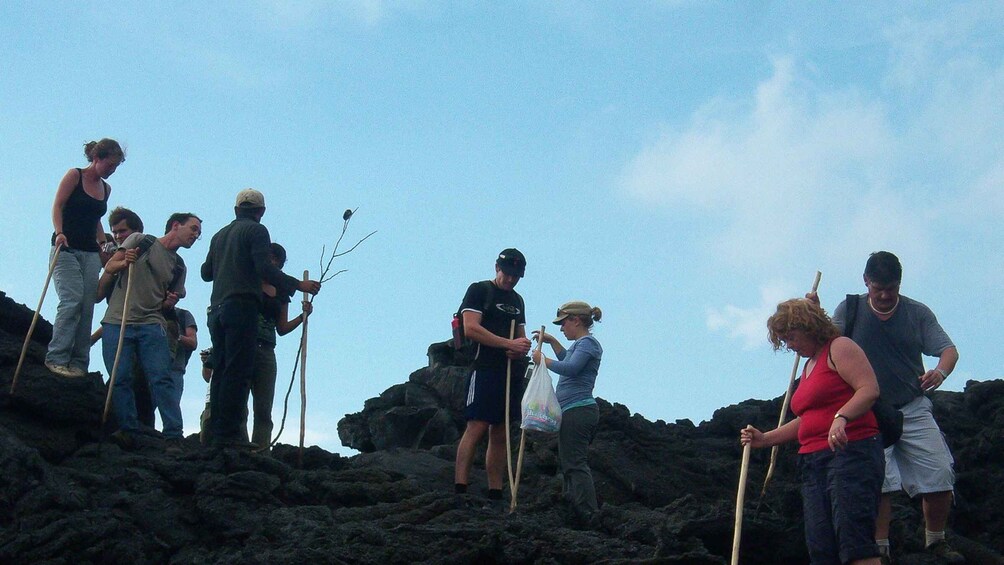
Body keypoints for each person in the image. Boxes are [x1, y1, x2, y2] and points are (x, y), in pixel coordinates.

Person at [815, 252, 962, 564]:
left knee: (939, 473)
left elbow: (948, 350)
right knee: (879, 481)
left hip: (911, 406)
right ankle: (880, 548)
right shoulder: (850, 309)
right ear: (866, 281)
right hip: (865, 408)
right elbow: (828, 345)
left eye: (891, 289)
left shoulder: (916, 313)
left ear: (899, 284)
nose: (884, 295)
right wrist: (815, 318)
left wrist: (940, 372)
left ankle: (935, 541)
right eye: (878, 288)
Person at [741, 299, 884, 565]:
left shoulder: (839, 348)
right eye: (784, 341)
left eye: (791, 337)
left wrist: (841, 417)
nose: (790, 346)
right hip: (812, 462)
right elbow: (807, 420)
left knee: (854, 542)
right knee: (821, 548)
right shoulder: (808, 367)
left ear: (809, 327)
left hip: (850, 452)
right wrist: (766, 439)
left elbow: (869, 389)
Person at [200, 189, 320, 449]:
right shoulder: (257, 232)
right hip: (241, 306)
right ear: (261, 212)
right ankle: (230, 435)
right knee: (237, 371)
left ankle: (216, 435)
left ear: (235, 210)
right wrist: (299, 284)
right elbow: (263, 268)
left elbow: (206, 273)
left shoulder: (219, 235)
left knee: (221, 368)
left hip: (216, 308)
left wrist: (230, 265)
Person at [101, 213, 202, 452]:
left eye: (198, 233)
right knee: (120, 376)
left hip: (151, 322)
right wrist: (125, 261)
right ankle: (128, 429)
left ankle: (173, 435)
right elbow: (110, 265)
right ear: (176, 225)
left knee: (162, 378)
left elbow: (168, 300)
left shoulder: (178, 266)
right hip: (119, 319)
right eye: (193, 229)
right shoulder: (140, 240)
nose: (196, 236)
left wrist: (169, 302)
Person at [453, 248, 532, 502]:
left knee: (500, 430)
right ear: (497, 268)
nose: (510, 280)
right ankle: (460, 486)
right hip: (484, 366)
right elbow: (471, 328)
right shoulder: (479, 290)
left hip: (508, 371)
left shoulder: (517, 300)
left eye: (516, 276)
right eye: (507, 273)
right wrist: (506, 344)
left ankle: (495, 490)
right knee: (477, 425)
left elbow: (520, 333)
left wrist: (520, 347)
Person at [46, 138, 124, 377]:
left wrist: (103, 242)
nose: (112, 171)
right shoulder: (75, 176)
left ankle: (79, 363)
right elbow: (58, 206)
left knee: (87, 305)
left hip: (90, 252)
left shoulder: (105, 189)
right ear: (97, 158)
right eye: (110, 165)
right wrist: (60, 233)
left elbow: (96, 219)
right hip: (66, 247)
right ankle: (57, 357)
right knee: (72, 300)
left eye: (115, 167)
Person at [532, 301, 603, 525]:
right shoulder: (582, 345)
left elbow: (571, 369)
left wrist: (543, 360)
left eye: (563, 324)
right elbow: (568, 360)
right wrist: (553, 342)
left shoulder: (588, 343)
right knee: (570, 461)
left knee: (574, 463)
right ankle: (577, 509)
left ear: (576, 320)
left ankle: (588, 514)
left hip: (578, 410)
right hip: (574, 411)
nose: (562, 329)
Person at [240, 242, 311, 453]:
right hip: (243, 345)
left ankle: (261, 450)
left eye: (276, 260)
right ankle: (240, 446)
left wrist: (303, 317)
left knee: (263, 407)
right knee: (239, 402)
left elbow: (282, 327)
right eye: (269, 258)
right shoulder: (244, 280)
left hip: (266, 348)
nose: (272, 263)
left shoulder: (281, 291)